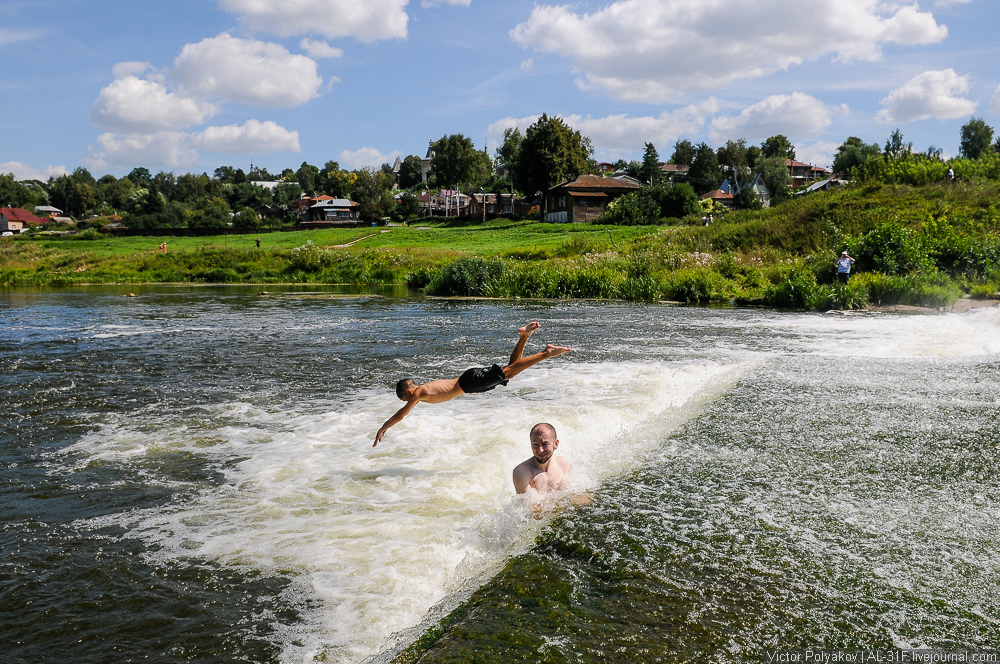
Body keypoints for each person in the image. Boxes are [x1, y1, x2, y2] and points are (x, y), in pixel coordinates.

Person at [374, 322, 571, 446]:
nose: (408, 402)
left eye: (405, 398)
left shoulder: (419, 392)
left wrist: (383, 427)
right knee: (510, 371)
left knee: (510, 371)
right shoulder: (423, 389)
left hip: (469, 382)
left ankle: (546, 352)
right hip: (469, 382)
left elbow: (401, 415)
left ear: (409, 391)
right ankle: (524, 336)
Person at [513, 423, 570, 494]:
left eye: (545, 444)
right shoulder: (522, 472)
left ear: (556, 444)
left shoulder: (563, 463)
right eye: (535, 445)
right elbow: (527, 504)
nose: (540, 450)